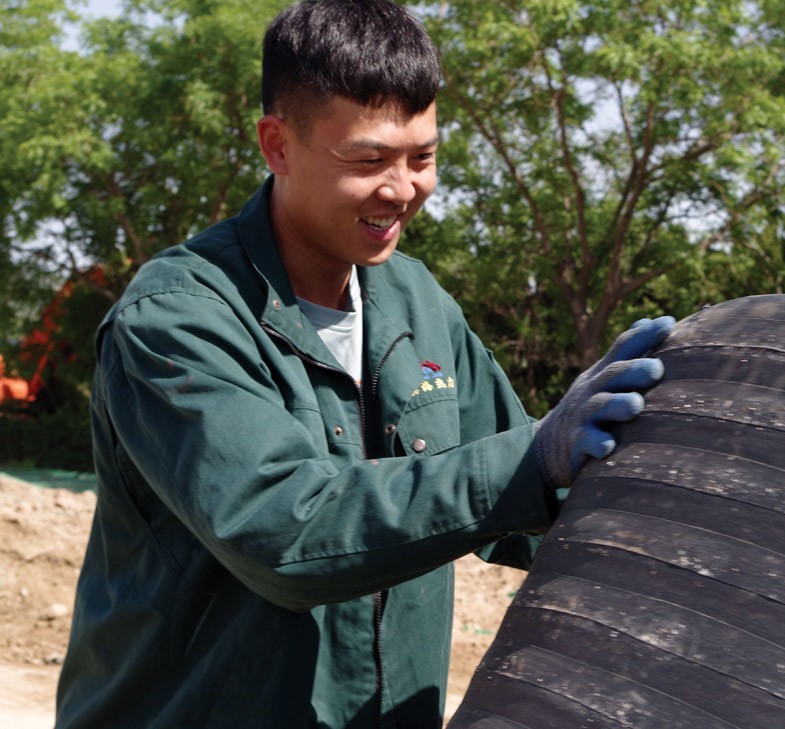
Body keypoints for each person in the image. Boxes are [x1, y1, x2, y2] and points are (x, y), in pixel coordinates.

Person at [55, 1, 673, 727]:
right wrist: (533, 458)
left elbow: (530, 502)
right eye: (369, 160)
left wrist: (667, 480)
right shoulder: (176, 319)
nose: (403, 188)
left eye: (424, 157)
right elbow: (283, 531)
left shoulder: (418, 301)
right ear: (277, 145)